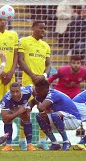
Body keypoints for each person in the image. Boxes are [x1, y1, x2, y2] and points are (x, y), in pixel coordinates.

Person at [18, 20, 51, 150]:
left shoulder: (46, 46)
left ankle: (42, 141)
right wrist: (32, 75)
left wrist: (44, 76)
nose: (43, 30)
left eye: (44, 28)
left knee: (44, 110)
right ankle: (22, 141)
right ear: (33, 28)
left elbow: (48, 64)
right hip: (28, 81)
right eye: (40, 28)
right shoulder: (24, 41)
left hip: (42, 84)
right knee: (26, 111)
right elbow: (20, 60)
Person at [30, 79, 82, 151]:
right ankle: (55, 143)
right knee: (40, 117)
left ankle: (66, 142)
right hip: (61, 119)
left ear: (46, 89)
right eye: (36, 91)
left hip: (74, 120)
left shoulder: (52, 94)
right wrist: (28, 109)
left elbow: (41, 108)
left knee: (54, 115)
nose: (37, 94)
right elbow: (32, 102)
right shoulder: (42, 94)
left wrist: (37, 101)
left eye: (39, 92)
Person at [0, 83, 37, 151]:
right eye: (12, 92)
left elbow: (34, 88)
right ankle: (8, 145)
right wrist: (19, 112)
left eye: (17, 91)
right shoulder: (6, 99)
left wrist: (29, 106)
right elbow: (4, 118)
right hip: (12, 109)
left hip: (23, 106)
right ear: (10, 91)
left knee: (26, 116)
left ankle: (29, 145)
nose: (15, 94)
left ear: (21, 90)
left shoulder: (27, 91)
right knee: (7, 121)